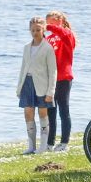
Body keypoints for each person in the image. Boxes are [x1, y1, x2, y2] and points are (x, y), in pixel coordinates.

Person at [17, 17, 57, 154]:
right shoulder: (26, 48)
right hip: (27, 84)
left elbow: (53, 72)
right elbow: (23, 68)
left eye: (38, 30)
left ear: (43, 29)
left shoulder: (48, 48)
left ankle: (43, 146)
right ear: (30, 30)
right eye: (33, 30)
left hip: (42, 85)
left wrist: (50, 92)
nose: (35, 32)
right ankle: (31, 146)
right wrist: (19, 88)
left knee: (42, 113)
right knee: (28, 113)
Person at [44, 10, 77, 152]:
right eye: (48, 23)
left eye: (51, 22)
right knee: (51, 111)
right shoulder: (49, 38)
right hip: (50, 79)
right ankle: (49, 144)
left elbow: (63, 33)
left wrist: (48, 27)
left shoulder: (67, 34)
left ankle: (64, 142)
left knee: (63, 110)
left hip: (64, 77)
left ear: (60, 21)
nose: (49, 26)